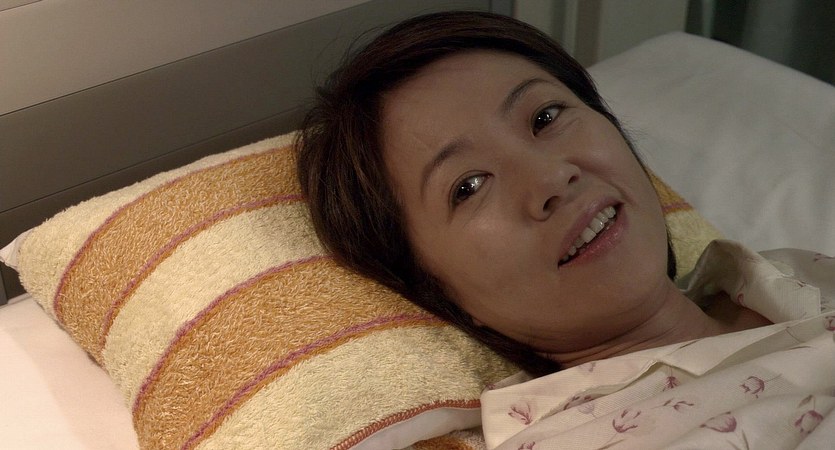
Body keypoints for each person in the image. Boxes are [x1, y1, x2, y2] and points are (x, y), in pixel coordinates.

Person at [297, 10, 835, 448]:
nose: (551, 178)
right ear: (432, 288)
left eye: (546, 118)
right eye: (469, 186)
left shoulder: (786, 272)